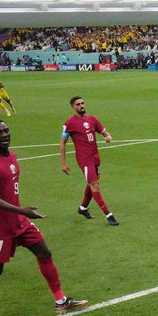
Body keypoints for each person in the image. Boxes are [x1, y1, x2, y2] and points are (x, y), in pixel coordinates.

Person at [0, 119, 88, 316]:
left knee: (44, 252)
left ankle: (60, 300)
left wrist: (4, 212)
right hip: (0, 227)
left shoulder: (12, 157)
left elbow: (4, 192)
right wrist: (16, 211)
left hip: (19, 221)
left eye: (6, 131)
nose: (4, 135)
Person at [60, 96, 119, 226]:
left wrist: (108, 136)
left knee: (91, 183)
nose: (81, 106)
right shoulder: (69, 123)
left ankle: (83, 208)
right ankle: (109, 215)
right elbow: (63, 143)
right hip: (84, 160)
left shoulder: (92, 119)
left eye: (82, 103)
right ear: (73, 107)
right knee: (94, 184)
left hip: (95, 158)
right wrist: (63, 163)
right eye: (78, 104)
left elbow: (104, 132)